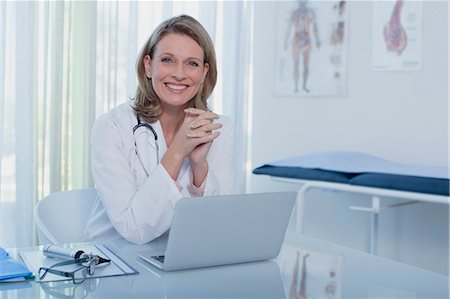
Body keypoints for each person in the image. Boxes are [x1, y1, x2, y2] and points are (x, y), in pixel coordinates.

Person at [85, 15, 235, 245]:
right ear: (148, 65)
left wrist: (199, 167)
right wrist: (177, 152)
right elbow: (133, 229)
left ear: (204, 72)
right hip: (114, 260)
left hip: (181, 260)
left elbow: (220, 227)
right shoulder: (111, 127)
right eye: (167, 60)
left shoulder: (220, 129)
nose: (179, 73)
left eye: (192, 63)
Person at [284, 0, 320, 93]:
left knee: (306, 65)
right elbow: (289, 27)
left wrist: (317, 40)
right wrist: (285, 41)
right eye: (301, 4)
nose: (302, 6)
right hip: (296, 40)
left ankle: (304, 86)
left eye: (304, 4)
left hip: (307, 41)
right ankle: (296, 86)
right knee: (296, 64)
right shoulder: (295, 13)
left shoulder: (311, 13)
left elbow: (315, 27)